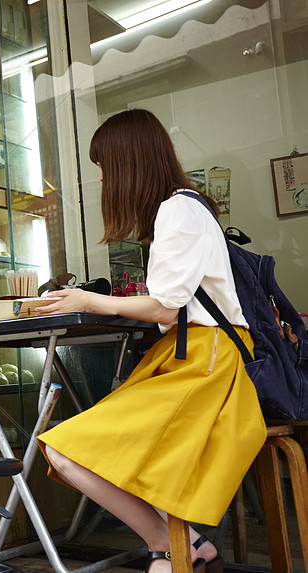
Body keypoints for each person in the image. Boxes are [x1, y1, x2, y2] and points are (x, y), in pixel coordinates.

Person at [35, 109, 266, 573]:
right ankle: (180, 545)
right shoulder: (184, 206)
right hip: (197, 357)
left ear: (127, 162)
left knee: (63, 450)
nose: (101, 177)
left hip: (206, 364)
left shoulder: (177, 210)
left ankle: (169, 547)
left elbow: (165, 307)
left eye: (103, 165)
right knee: (78, 451)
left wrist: (90, 299)